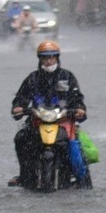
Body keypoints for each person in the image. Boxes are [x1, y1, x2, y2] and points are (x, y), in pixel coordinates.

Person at [9, 40, 85, 186]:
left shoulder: (68, 77)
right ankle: (25, 175)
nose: (49, 61)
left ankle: (80, 178)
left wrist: (79, 110)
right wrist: (18, 108)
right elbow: (21, 98)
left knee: (75, 148)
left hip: (63, 123)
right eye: (45, 57)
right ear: (40, 59)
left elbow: (77, 99)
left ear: (57, 58)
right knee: (20, 138)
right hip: (37, 122)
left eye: (52, 57)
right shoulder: (32, 79)